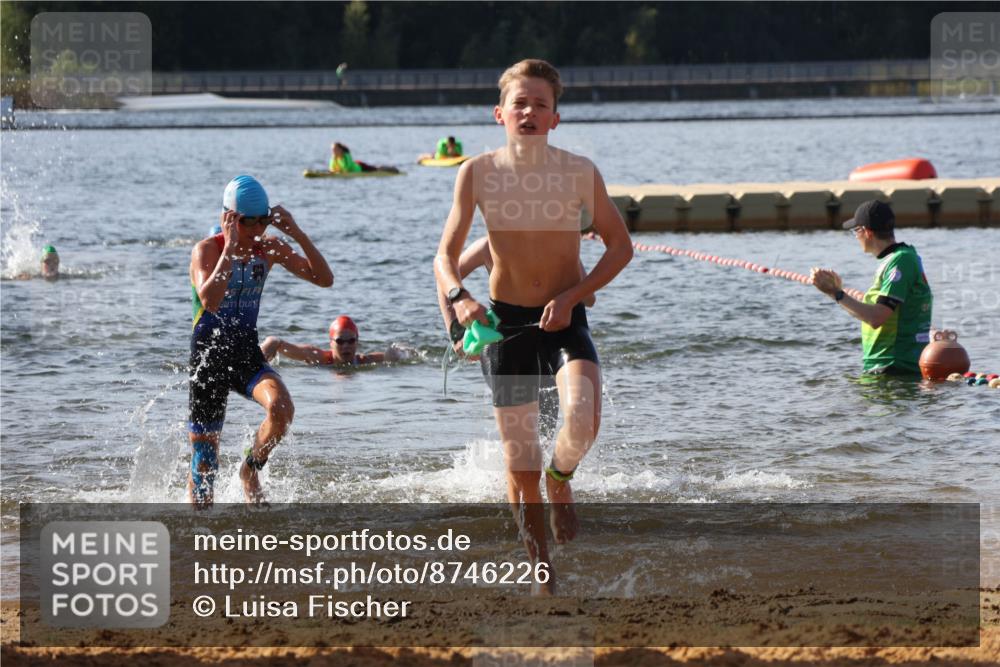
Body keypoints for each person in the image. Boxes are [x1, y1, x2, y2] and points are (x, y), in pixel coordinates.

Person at [433, 59, 633, 595]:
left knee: (583, 420)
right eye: (520, 103)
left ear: (554, 119)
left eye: (540, 104)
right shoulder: (475, 173)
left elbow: (621, 247)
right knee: (520, 466)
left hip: (565, 316)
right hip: (505, 326)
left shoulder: (579, 172)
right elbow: (445, 257)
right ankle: (541, 573)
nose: (529, 112)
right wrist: (460, 301)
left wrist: (574, 295)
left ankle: (562, 477)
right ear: (499, 113)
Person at [188, 175, 333, 508]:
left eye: (262, 220)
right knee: (205, 461)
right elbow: (209, 300)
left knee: (281, 409)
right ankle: (198, 542)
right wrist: (231, 248)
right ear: (230, 217)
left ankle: (250, 469)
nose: (255, 229)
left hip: (245, 351)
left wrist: (295, 232)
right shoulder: (206, 250)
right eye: (247, 221)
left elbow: (324, 279)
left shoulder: (269, 247)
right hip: (208, 357)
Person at [438, 236, 596, 440]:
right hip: (502, 347)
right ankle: (512, 468)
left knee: (543, 431)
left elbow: (589, 298)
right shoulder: (486, 245)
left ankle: (541, 470)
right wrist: (456, 331)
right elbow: (444, 279)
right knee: (522, 436)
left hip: (548, 345)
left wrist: (568, 290)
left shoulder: (559, 244)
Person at [811, 200, 932, 376]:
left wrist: (835, 293)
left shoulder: (900, 261)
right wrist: (838, 291)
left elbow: (876, 317)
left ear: (866, 232)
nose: (856, 237)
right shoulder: (897, 259)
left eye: (855, 231)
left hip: (895, 368)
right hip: (886, 368)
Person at [261, 315, 412, 366]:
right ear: (331, 343)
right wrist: (271, 343)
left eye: (351, 341)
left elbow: (401, 356)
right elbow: (280, 343)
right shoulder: (318, 357)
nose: (346, 346)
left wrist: (398, 354)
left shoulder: (365, 361)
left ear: (357, 342)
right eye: (340, 341)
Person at [329, 143, 399, 174]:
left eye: (335, 149)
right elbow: (331, 168)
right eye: (332, 150)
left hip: (360, 167)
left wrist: (338, 171)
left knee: (377, 169)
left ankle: (392, 169)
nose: (333, 151)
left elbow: (348, 168)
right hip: (353, 167)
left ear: (340, 150)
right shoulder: (334, 158)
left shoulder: (346, 156)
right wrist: (334, 170)